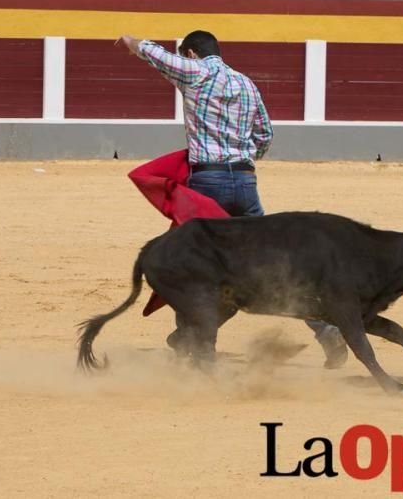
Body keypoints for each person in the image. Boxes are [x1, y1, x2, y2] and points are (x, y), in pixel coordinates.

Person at [114, 31, 348, 368]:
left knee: (193, 265)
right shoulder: (247, 84)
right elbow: (265, 133)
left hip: (208, 182)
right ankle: (326, 331)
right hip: (244, 181)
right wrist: (243, 159)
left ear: (192, 54)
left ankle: (191, 344)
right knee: (272, 265)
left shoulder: (195, 72)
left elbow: (154, 54)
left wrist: (129, 39)